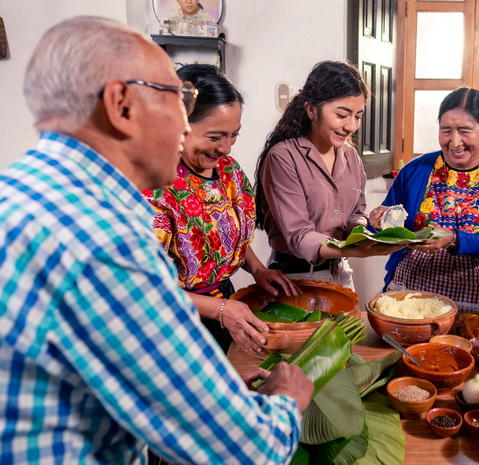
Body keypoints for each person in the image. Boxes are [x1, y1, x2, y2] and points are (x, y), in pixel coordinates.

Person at [0, 16, 312, 464]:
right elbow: (247, 451)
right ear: (120, 104)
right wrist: (284, 399)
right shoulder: (106, 239)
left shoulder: (24, 193)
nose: (182, 128)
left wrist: (202, 400)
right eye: (178, 101)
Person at [143, 64, 299, 355]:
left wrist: (257, 269)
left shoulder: (228, 171)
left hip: (224, 304)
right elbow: (143, 288)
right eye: (215, 137)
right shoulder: (153, 188)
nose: (226, 148)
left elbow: (224, 234)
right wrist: (221, 308)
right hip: (173, 320)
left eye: (234, 135)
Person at [369, 87, 479, 312]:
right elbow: (389, 232)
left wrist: (453, 238)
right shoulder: (415, 170)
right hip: (414, 293)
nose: (455, 141)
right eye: (446, 130)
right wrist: (379, 222)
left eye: (465, 130)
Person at [254, 60, 401, 289]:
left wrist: (368, 228)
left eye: (358, 116)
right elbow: (300, 236)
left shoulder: (350, 157)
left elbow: (355, 215)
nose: (352, 126)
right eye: (342, 115)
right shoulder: (283, 158)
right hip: (294, 280)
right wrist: (358, 249)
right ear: (312, 110)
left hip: (341, 273)